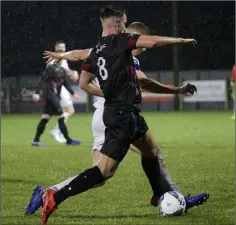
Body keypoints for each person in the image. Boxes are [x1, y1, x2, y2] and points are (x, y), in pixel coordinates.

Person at [40, 7, 209, 224]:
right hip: (120, 116)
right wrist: (182, 40)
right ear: (118, 23)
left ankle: (159, 193)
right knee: (103, 172)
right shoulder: (122, 42)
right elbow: (154, 42)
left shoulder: (97, 50)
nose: (125, 26)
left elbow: (83, 80)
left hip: (126, 113)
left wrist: (63, 56)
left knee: (152, 151)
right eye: (124, 22)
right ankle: (55, 195)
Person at [24, 22, 180, 215]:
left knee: (101, 175)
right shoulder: (126, 56)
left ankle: (48, 193)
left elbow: (81, 53)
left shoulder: (104, 50)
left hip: (103, 118)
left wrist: (61, 55)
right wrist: (175, 91)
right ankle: (174, 197)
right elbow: (144, 81)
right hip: (115, 117)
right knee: (150, 155)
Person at [31, 63, 81, 146]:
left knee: (45, 118)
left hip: (54, 98)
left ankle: (36, 140)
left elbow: (65, 83)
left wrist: (73, 93)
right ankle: (68, 140)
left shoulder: (62, 69)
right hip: (52, 98)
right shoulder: (50, 68)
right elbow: (42, 81)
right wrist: (37, 93)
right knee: (61, 118)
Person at [48, 41, 80, 143]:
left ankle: (60, 133)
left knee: (66, 112)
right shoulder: (53, 60)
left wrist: (72, 73)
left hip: (61, 88)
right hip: (58, 88)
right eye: (60, 48)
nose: (62, 50)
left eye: (63, 48)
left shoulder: (63, 60)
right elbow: (62, 72)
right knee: (69, 111)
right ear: (56, 49)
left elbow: (65, 72)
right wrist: (74, 73)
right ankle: (56, 131)